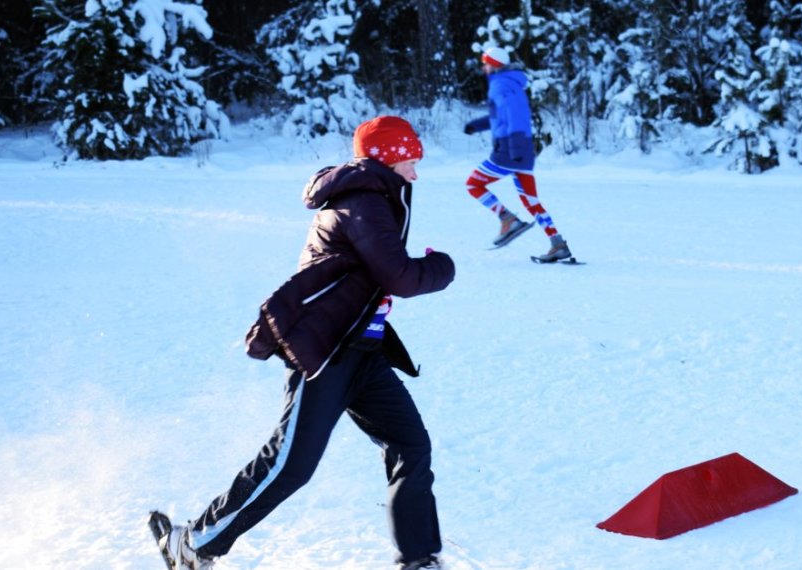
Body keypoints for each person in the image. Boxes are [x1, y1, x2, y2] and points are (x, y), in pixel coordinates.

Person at [149, 116, 456, 570]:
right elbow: (400, 277)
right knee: (289, 465)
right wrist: (442, 267)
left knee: (410, 445)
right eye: (411, 159)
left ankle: (419, 558)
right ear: (388, 157)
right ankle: (193, 544)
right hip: (325, 353)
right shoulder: (363, 202)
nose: (416, 171)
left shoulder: (376, 198)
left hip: (363, 353)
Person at [463, 46, 575, 263]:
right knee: (531, 201)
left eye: (485, 63)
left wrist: (513, 147)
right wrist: (476, 125)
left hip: (509, 149)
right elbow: (501, 116)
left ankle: (508, 219)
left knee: (473, 184)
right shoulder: (510, 83)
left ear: (493, 65)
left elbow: (515, 115)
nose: (483, 67)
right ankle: (558, 244)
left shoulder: (500, 84)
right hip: (521, 149)